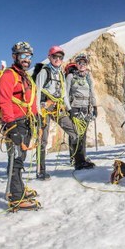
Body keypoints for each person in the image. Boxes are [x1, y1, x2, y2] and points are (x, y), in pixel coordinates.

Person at [35, 46, 89, 179]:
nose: (58, 59)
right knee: (43, 139)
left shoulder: (59, 73)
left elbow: (64, 93)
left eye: (60, 57)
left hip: (57, 107)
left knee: (74, 132)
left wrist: (69, 109)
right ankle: (40, 170)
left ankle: (77, 161)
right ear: (50, 57)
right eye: (55, 57)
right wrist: (37, 112)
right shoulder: (44, 72)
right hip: (44, 108)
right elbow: (36, 93)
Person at [0, 41, 40, 210]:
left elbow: (31, 99)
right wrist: (11, 126)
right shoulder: (9, 75)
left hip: (26, 122)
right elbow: (4, 100)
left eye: (28, 56)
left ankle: (18, 188)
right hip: (15, 123)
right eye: (23, 56)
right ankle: (16, 197)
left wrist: (37, 117)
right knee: (15, 159)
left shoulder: (25, 77)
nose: (26, 59)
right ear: (14, 56)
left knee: (20, 158)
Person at [65, 53, 97, 170]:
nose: (82, 65)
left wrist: (94, 106)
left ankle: (81, 157)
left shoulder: (88, 77)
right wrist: (69, 109)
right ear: (76, 64)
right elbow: (65, 94)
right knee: (75, 134)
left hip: (85, 108)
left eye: (84, 63)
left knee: (82, 134)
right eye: (80, 63)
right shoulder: (71, 77)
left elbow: (92, 92)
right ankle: (76, 159)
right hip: (75, 107)